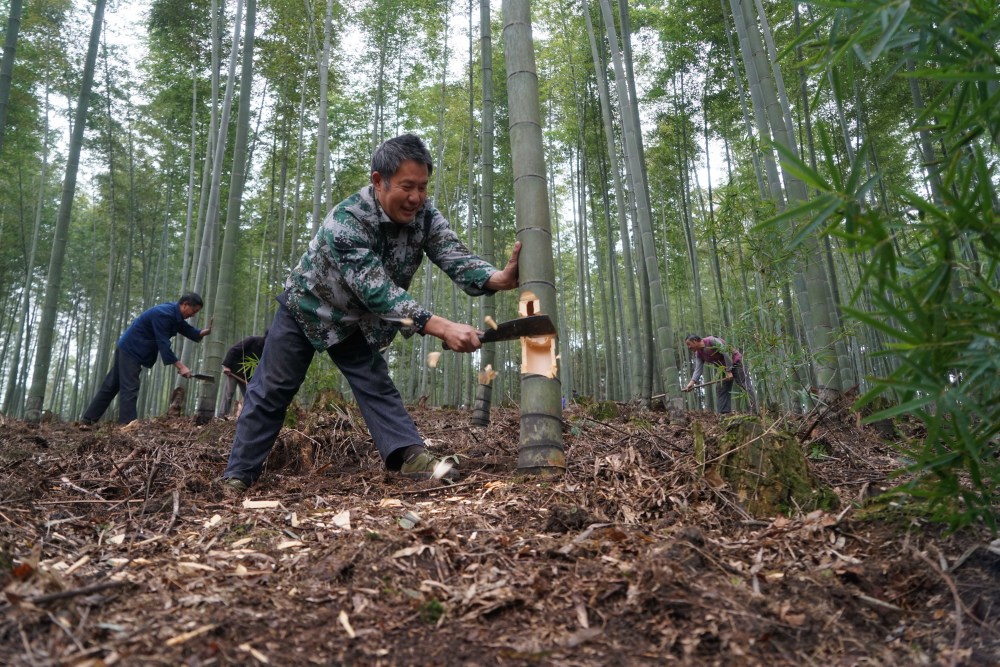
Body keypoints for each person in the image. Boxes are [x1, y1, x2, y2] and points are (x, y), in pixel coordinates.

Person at [221, 134, 520, 491]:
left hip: (356, 320)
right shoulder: (346, 221)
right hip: (308, 306)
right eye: (407, 187)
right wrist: (442, 327)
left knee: (375, 383)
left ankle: (410, 458)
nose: (416, 198)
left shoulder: (425, 216)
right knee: (272, 388)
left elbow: (454, 255)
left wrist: (498, 279)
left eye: (423, 187)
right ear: (379, 181)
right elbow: (377, 291)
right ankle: (238, 476)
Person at [81, 293, 212, 424]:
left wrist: (205, 332)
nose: (193, 315)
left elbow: (186, 329)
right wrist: (181, 366)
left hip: (129, 347)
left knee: (111, 385)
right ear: (185, 305)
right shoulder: (164, 314)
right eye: (193, 311)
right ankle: (127, 424)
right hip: (131, 349)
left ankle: (88, 419)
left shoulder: (174, 313)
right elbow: (163, 343)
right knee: (130, 386)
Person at [682, 334, 757, 414]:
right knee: (721, 388)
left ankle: (753, 412)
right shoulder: (698, 353)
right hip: (723, 368)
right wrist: (692, 382)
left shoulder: (711, 341)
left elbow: (726, 353)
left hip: (736, 362)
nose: (689, 347)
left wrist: (729, 371)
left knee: (744, 385)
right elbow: (698, 369)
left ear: (695, 341)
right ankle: (724, 414)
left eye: (689, 344)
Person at [218, 332, 267, 417]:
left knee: (249, 396)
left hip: (247, 377)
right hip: (234, 371)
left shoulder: (267, 350)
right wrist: (227, 366)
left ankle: (246, 417)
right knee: (229, 394)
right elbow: (234, 349)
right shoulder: (253, 340)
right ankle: (222, 416)